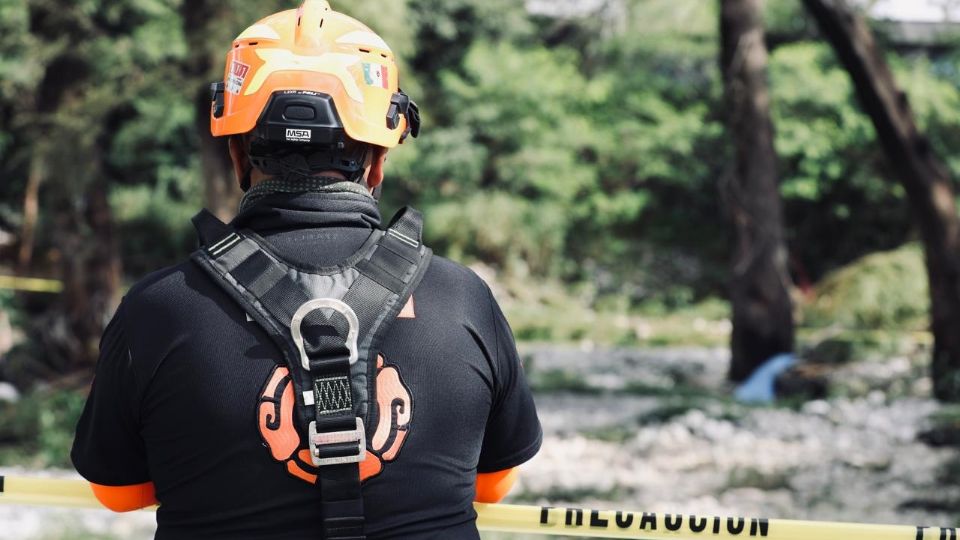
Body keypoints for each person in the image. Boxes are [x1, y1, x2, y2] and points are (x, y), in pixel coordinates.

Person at [70, 2, 542, 539]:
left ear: (235, 152)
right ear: (379, 157)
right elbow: (493, 483)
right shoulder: (464, 300)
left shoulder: (158, 309)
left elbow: (118, 492)